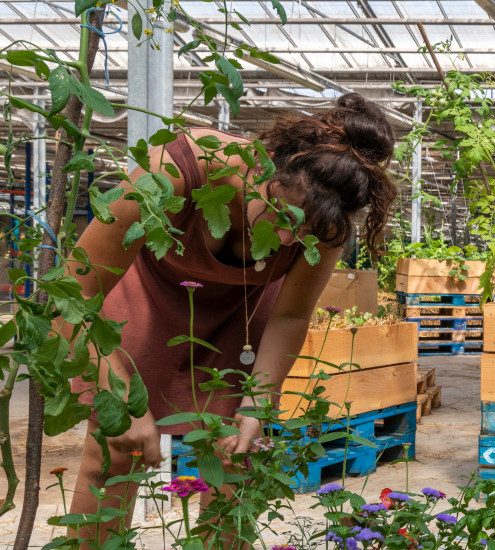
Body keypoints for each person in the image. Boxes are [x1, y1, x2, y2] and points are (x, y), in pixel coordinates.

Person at [64, 93, 396, 544]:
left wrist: (258, 403)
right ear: (268, 168)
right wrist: (121, 395)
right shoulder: (179, 165)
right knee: (116, 449)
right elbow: (75, 290)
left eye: (303, 232)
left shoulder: (327, 219)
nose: (285, 237)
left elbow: (293, 314)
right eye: (281, 213)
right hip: (143, 298)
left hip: (239, 322)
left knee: (234, 457)